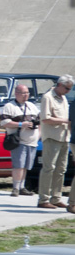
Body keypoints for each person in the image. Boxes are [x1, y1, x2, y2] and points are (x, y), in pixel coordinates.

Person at [38, 75, 73, 211]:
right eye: (66, 88)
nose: (68, 91)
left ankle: (56, 197)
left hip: (64, 137)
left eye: (70, 89)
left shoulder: (63, 98)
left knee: (61, 169)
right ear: (59, 84)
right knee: (49, 168)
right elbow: (45, 118)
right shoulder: (48, 97)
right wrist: (65, 121)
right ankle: (43, 199)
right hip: (52, 137)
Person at [0, 84, 41, 198]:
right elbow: (4, 123)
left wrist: (38, 135)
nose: (26, 95)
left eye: (27, 92)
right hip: (19, 141)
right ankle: (15, 188)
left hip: (32, 141)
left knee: (26, 166)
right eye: (23, 93)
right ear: (16, 93)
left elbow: (40, 122)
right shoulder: (10, 106)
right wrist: (21, 124)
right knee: (19, 165)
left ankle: (22, 187)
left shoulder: (32, 106)